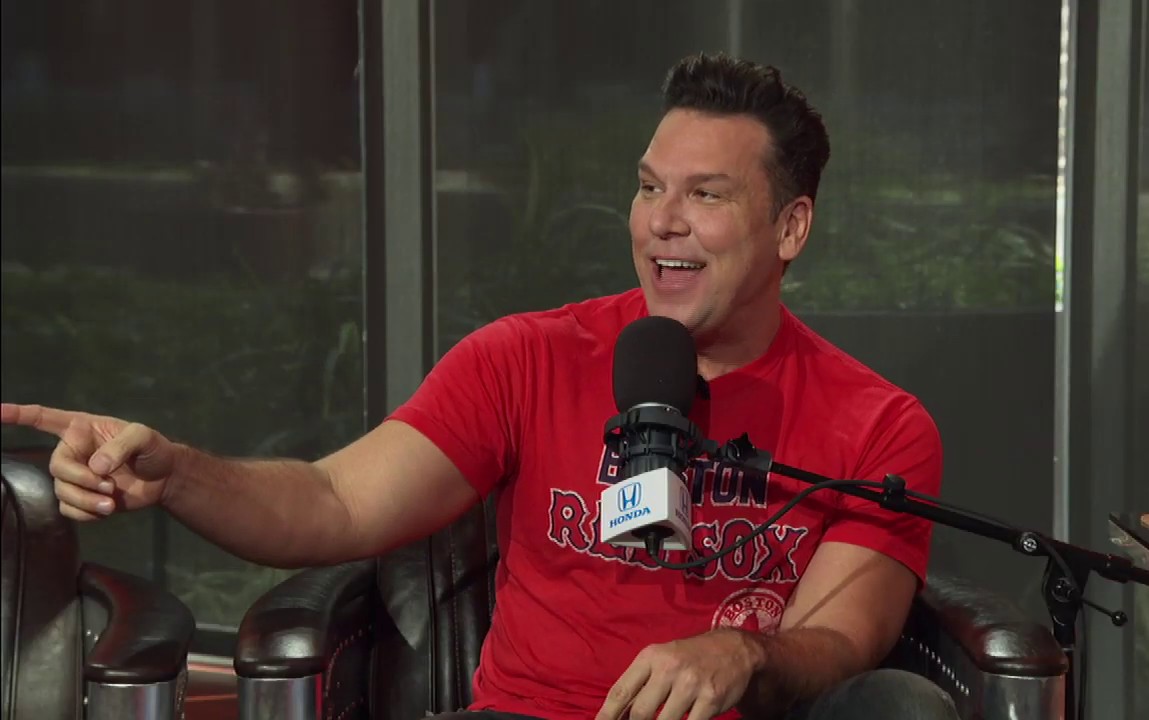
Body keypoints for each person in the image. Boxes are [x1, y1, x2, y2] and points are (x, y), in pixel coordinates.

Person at [1, 53, 957, 720]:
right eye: (648, 186)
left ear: (790, 228)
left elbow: (841, 644)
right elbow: (334, 501)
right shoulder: (528, 357)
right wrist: (177, 472)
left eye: (705, 194)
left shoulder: (878, 426)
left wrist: (742, 654)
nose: (661, 222)